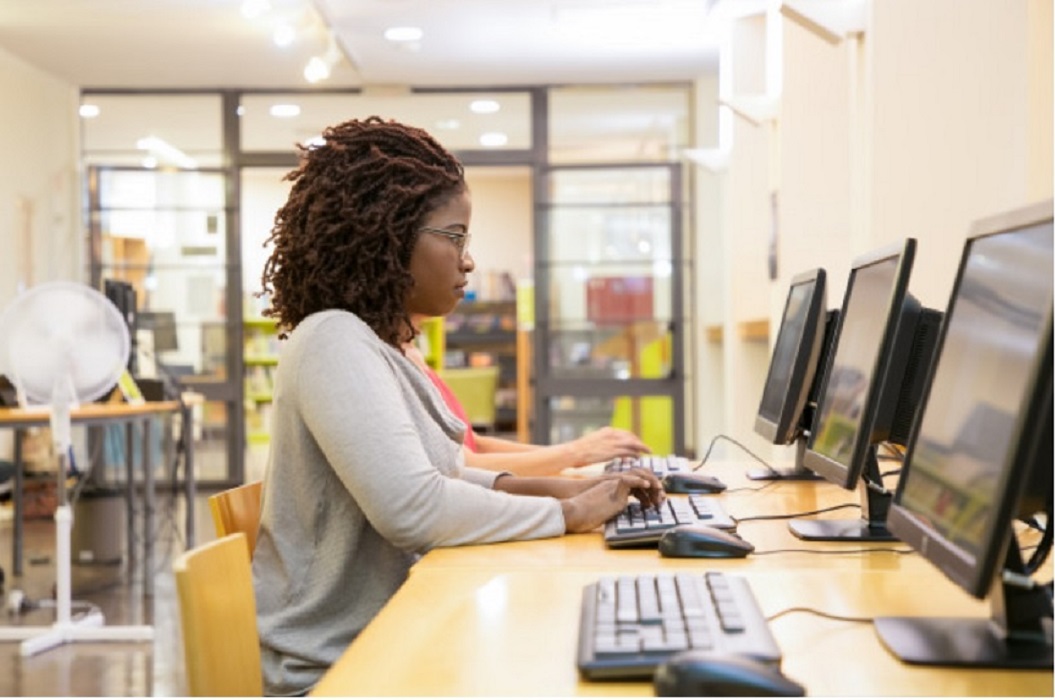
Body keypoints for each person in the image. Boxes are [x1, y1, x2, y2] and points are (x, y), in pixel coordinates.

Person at [252, 116, 664, 696]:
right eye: (456, 237)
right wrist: (568, 515)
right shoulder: (332, 340)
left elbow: (452, 472)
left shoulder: (377, 347)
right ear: (390, 236)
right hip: (336, 671)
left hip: (392, 639)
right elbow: (414, 509)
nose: (467, 261)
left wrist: (579, 491)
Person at [402, 328, 650, 476]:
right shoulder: (400, 361)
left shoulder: (414, 353)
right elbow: (463, 463)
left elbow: (474, 443)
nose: (466, 264)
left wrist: (574, 460)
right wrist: (575, 454)